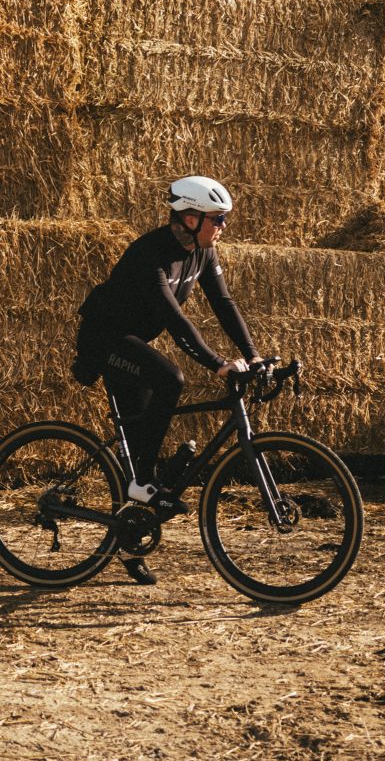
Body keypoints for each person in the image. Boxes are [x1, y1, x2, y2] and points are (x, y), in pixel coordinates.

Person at [71, 176, 263, 585]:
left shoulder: (203, 252)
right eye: (217, 219)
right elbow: (176, 322)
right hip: (104, 339)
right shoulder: (150, 254)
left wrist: (252, 355)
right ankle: (144, 483)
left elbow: (224, 304)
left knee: (142, 439)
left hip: (134, 342)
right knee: (171, 378)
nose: (224, 226)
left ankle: (130, 535)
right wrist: (218, 364)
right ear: (191, 218)